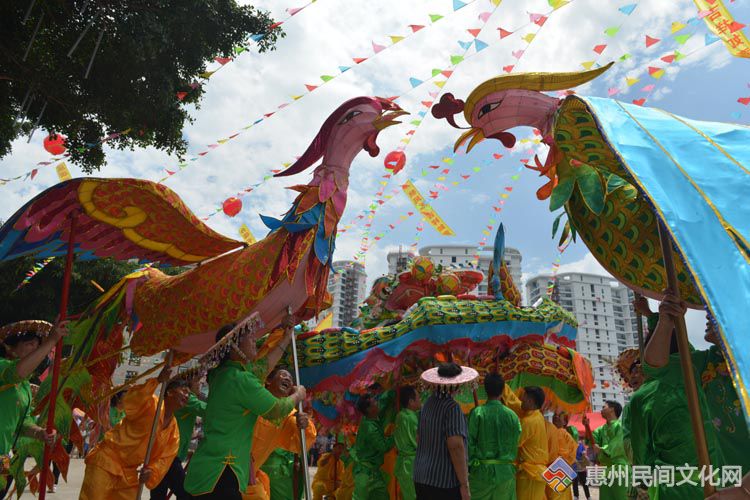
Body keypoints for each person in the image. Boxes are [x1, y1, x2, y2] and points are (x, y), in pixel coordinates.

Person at [184, 315, 305, 500]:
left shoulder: (221, 375)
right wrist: (298, 395)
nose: (255, 341)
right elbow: (275, 410)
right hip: (222, 471)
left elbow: (263, 367)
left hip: (207, 466)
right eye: (250, 338)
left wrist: (286, 337)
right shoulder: (239, 379)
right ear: (234, 346)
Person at [623, 293, 724, 500]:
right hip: (725, 481)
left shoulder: (701, 368)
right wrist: (657, 317)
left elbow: (639, 453)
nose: (635, 374)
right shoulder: (700, 370)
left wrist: (642, 483)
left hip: (678, 488)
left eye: (637, 367)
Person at [79, 363, 189, 500]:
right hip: (107, 459)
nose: (187, 395)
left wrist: (151, 472)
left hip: (130, 472)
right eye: (184, 390)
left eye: (188, 393)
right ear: (170, 392)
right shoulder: (150, 403)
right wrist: (157, 381)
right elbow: (131, 400)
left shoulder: (174, 431)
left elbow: (164, 458)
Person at [0, 320, 63, 496]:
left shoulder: (25, 386)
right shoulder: (2, 366)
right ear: (10, 347)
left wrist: (39, 432)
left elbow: (23, 421)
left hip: (4, 458)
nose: (35, 350)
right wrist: (51, 342)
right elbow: (16, 372)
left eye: (37, 346)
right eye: (29, 345)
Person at [413, 362, 477, 500]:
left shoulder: (427, 405)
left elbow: (419, 438)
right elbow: (456, 446)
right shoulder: (452, 408)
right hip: (444, 482)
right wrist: (464, 485)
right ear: (457, 385)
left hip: (421, 476)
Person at [254, 366, 316, 500]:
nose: (288, 378)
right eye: (283, 375)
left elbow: (302, 444)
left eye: (291, 378)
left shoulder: (288, 415)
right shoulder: (254, 397)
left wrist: (304, 424)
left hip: (263, 475)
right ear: (268, 381)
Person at [467, 373, 521, 500]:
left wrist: (473, 465)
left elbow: (469, 443)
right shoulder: (512, 416)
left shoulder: (477, 413)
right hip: (506, 473)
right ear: (503, 390)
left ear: (485, 389)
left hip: (481, 473)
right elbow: (516, 441)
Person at [583, 401, 628, 500]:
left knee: (621, 497)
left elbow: (618, 444)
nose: (601, 410)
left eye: (604, 407)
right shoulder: (600, 429)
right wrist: (587, 426)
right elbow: (591, 442)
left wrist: (603, 450)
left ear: (612, 409)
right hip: (605, 470)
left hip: (619, 468)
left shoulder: (621, 426)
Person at [352, 394, 394, 500]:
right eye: (374, 402)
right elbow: (383, 446)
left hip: (375, 473)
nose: (377, 402)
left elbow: (383, 406)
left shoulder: (371, 419)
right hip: (365, 475)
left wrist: (391, 390)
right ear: (369, 409)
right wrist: (396, 435)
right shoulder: (370, 427)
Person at [515, 386, 548, 500]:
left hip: (530, 474)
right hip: (535, 473)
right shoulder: (538, 417)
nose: (521, 401)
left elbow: (514, 443)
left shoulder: (528, 421)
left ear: (530, 401)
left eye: (523, 398)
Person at [173, 373, 206, 465]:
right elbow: (207, 410)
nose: (201, 384)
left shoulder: (189, 398)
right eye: (197, 381)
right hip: (175, 446)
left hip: (178, 445)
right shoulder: (188, 398)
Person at [394, 385, 420, 500]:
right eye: (418, 398)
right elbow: (418, 441)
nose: (420, 400)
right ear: (411, 401)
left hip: (403, 463)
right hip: (411, 464)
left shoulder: (400, 415)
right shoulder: (410, 417)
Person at [547, 412, 577, 500]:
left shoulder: (562, 433)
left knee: (556, 497)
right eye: (554, 415)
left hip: (558, 468)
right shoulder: (552, 431)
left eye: (559, 416)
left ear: (564, 422)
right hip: (562, 469)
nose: (556, 417)